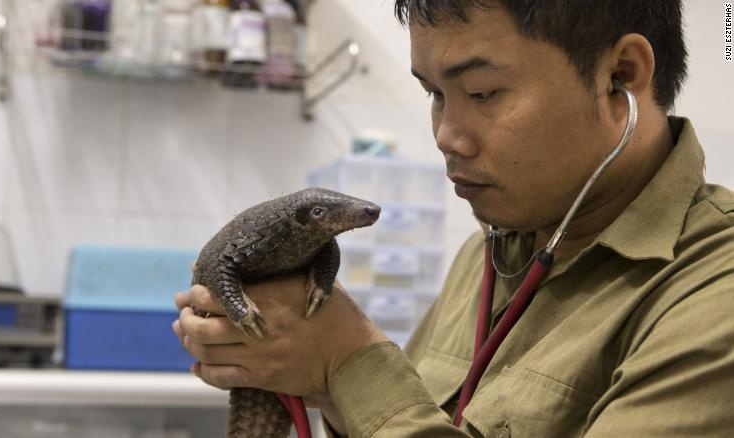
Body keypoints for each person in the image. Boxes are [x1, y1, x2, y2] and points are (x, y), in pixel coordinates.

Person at [172, 0, 734, 436]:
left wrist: (348, 361)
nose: (447, 136)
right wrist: (318, 380)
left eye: (483, 92)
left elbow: (368, 381)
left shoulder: (714, 294)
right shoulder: (488, 252)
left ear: (622, 74)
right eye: (436, 94)